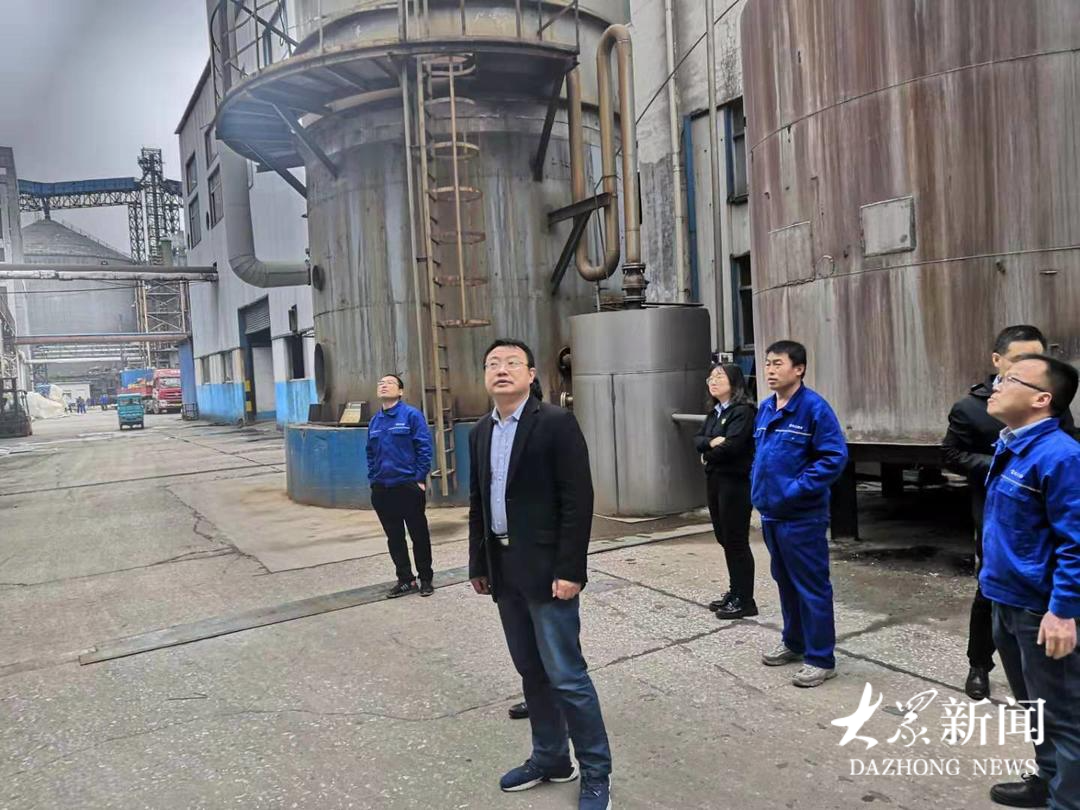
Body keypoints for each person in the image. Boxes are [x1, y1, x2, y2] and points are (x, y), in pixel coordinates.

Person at [468, 339, 611, 810]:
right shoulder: (480, 432)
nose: (501, 369)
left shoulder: (555, 423)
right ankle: (551, 758)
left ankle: (596, 773)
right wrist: (479, 564)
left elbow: (578, 500)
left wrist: (571, 569)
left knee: (566, 676)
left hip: (549, 571)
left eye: (512, 362)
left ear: (531, 375)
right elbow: (479, 503)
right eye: (493, 363)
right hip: (504, 569)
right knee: (531, 672)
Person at [942, 325, 1077, 701]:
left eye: (1036, 358)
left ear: (1043, 398)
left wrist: (1062, 610)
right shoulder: (974, 408)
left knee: (1053, 710)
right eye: (1018, 361)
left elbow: (1072, 535)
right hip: (994, 512)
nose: (1029, 365)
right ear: (997, 361)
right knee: (988, 592)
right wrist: (1003, 466)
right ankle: (979, 664)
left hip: (1032, 566)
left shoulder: (1055, 444)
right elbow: (950, 453)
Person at [978, 354, 1080, 809]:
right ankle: (1049, 780)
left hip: (1041, 609)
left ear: (1042, 399)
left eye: (1009, 379)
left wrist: (1063, 611)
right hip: (1006, 598)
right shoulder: (1012, 444)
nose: (996, 386)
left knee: (1065, 716)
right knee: (1036, 706)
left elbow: (1075, 543)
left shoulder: (1062, 457)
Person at [751, 340, 849, 688]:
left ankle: (821, 658)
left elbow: (833, 458)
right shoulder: (766, 408)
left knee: (811, 586)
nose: (770, 370)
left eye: (778, 363)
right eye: (767, 363)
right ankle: (794, 642)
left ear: (799, 369)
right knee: (786, 582)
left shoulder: (814, 409)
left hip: (802, 517)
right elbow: (761, 457)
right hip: (772, 514)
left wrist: (795, 489)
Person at [694, 363, 758, 620]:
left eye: (719, 376)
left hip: (735, 483)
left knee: (736, 540)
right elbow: (698, 440)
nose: (713, 381)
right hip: (715, 480)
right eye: (710, 377)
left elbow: (732, 446)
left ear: (734, 381)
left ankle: (746, 600)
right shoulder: (715, 413)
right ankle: (735, 592)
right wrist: (711, 442)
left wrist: (707, 454)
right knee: (724, 538)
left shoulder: (743, 412)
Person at [366, 374, 435, 599]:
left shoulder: (411, 415)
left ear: (401, 391)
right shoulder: (375, 421)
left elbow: (424, 448)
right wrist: (373, 479)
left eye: (389, 383)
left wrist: (419, 479)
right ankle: (405, 579)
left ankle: (425, 578)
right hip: (382, 488)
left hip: (407, 486)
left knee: (418, 534)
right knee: (394, 537)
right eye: (380, 383)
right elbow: (370, 452)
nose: (383, 386)